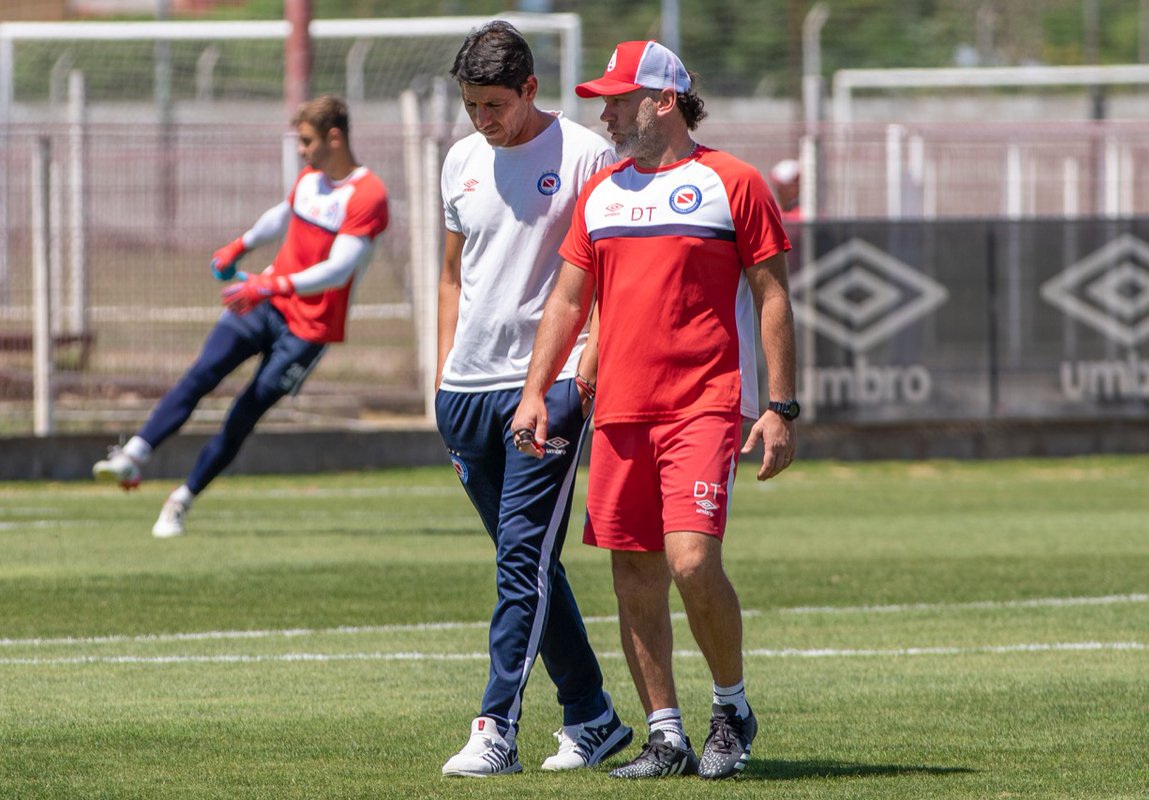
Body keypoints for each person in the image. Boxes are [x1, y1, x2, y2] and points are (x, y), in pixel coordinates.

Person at [511, 40, 799, 781]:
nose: (604, 113)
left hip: (704, 406)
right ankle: (665, 734)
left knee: (691, 560)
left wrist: (781, 407)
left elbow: (772, 295)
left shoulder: (731, 182)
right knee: (633, 577)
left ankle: (731, 709)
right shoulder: (601, 193)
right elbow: (570, 298)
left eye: (616, 98)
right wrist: (535, 391)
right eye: (602, 100)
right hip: (617, 414)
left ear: (663, 100)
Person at [434, 21, 632, 778]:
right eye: (470, 106)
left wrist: (583, 370)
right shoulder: (459, 159)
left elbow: (607, 273)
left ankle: (496, 728)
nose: (482, 120)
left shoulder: (587, 155)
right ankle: (593, 718)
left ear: (529, 90)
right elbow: (454, 273)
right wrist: (442, 375)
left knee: (522, 561)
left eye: (493, 105)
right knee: (533, 563)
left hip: (545, 390)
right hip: (465, 393)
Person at [92, 94, 389, 538]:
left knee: (243, 414)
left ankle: (181, 499)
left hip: (308, 331)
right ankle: (133, 455)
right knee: (202, 374)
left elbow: (338, 269)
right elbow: (283, 215)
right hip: (264, 303)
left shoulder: (369, 194)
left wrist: (268, 284)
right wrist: (241, 245)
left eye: (306, 141)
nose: (301, 151)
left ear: (334, 137)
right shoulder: (311, 179)